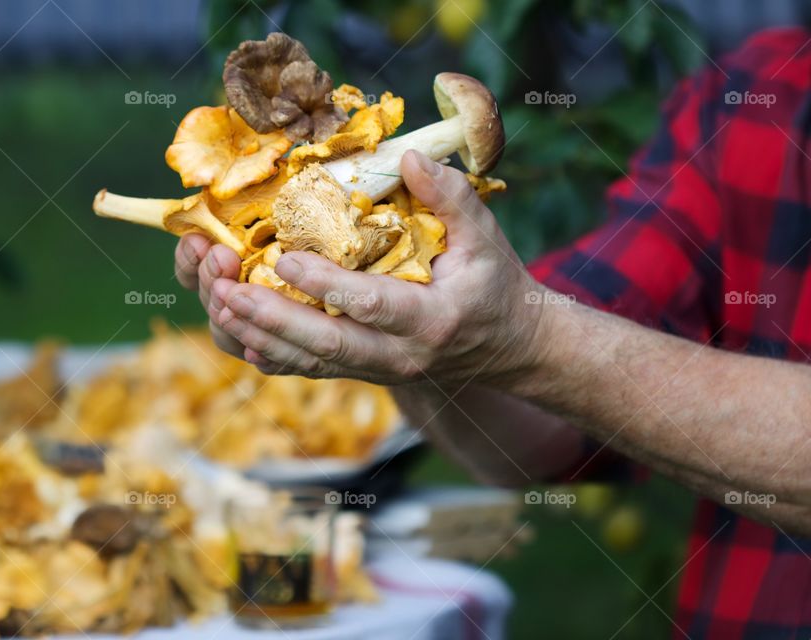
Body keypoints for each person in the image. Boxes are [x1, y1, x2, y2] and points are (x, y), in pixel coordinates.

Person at [174, 27, 811, 638]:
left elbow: (550, 345)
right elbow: (536, 439)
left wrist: (529, 337)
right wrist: (406, 324)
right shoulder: (756, 96)